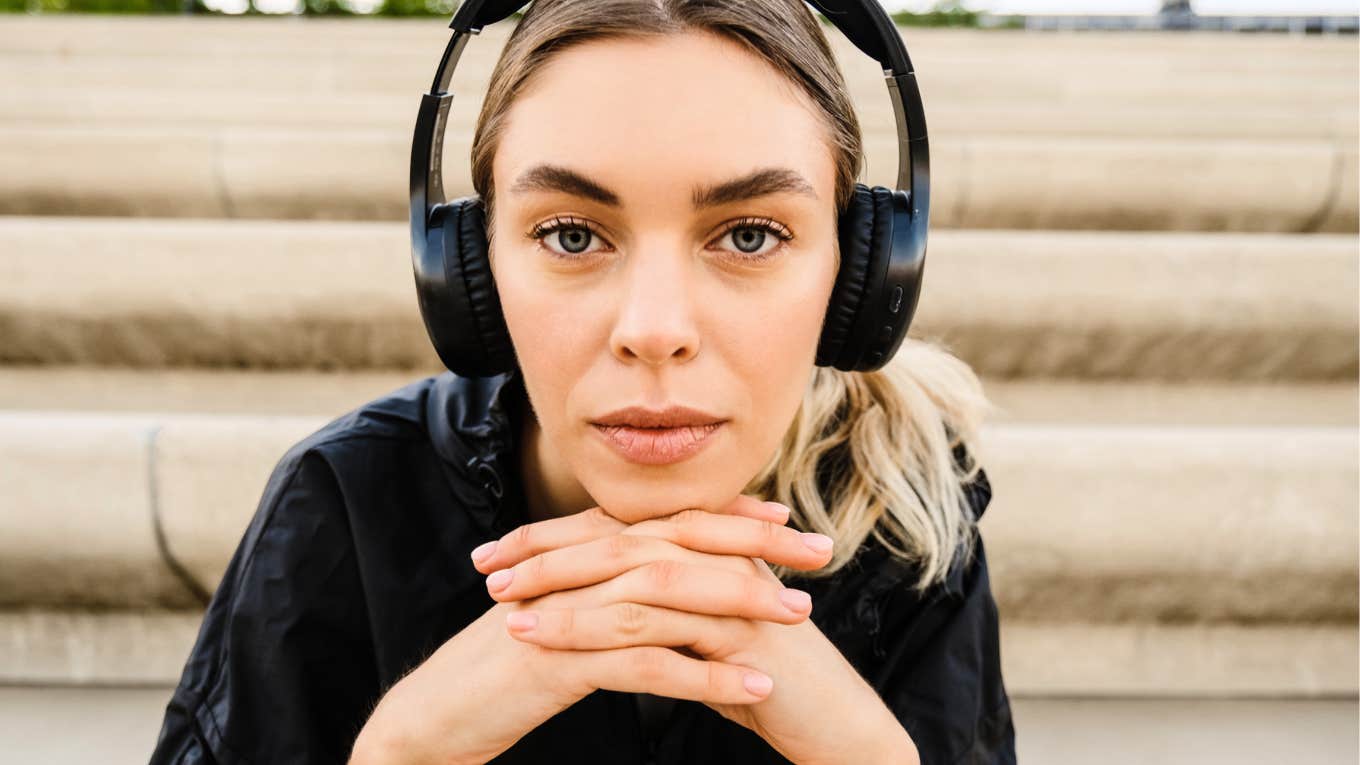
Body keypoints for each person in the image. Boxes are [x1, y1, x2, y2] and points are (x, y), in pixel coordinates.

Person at [148, 1, 1016, 763]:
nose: (654, 330)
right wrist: (399, 754)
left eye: (749, 235)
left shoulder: (912, 511)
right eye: (570, 235)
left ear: (862, 269)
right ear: (468, 268)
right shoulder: (344, 501)